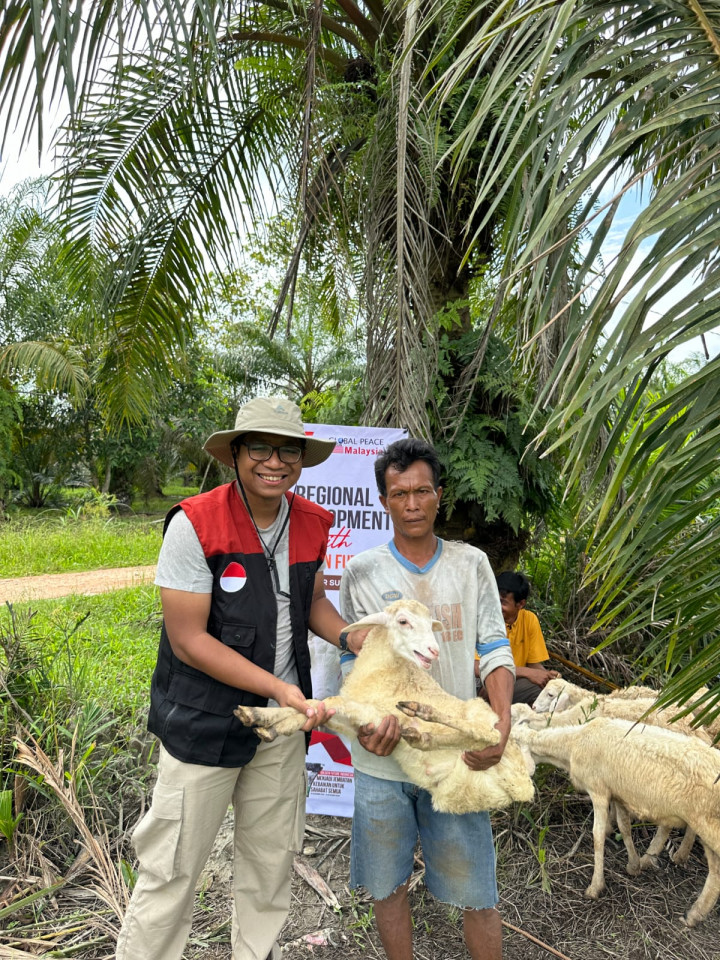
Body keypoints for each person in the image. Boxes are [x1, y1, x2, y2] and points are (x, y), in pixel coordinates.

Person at [116, 396, 357, 960]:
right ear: (236, 455)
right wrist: (278, 686)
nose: (275, 461)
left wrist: (348, 635)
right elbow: (188, 639)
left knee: (270, 863)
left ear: (302, 458)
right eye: (261, 448)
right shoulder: (194, 523)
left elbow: (312, 602)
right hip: (202, 720)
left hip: (280, 725)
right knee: (172, 867)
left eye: (288, 450)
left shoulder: (313, 522)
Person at [338, 437, 515, 960]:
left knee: (478, 892)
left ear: (440, 495)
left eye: (421, 491)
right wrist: (370, 728)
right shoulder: (363, 574)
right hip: (384, 764)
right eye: (399, 494)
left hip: (455, 758)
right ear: (383, 501)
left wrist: (499, 725)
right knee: (386, 886)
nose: (411, 504)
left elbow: (494, 647)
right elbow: (358, 666)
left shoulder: (472, 565)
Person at [494, 571, 559, 705]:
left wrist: (549, 678)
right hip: (488, 683)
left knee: (556, 690)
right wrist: (528, 673)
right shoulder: (486, 620)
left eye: (502, 602)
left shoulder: (529, 619)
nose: (496, 606)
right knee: (540, 693)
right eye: (494, 599)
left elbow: (533, 664)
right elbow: (480, 667)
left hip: (515, 681)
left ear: (520, 604)